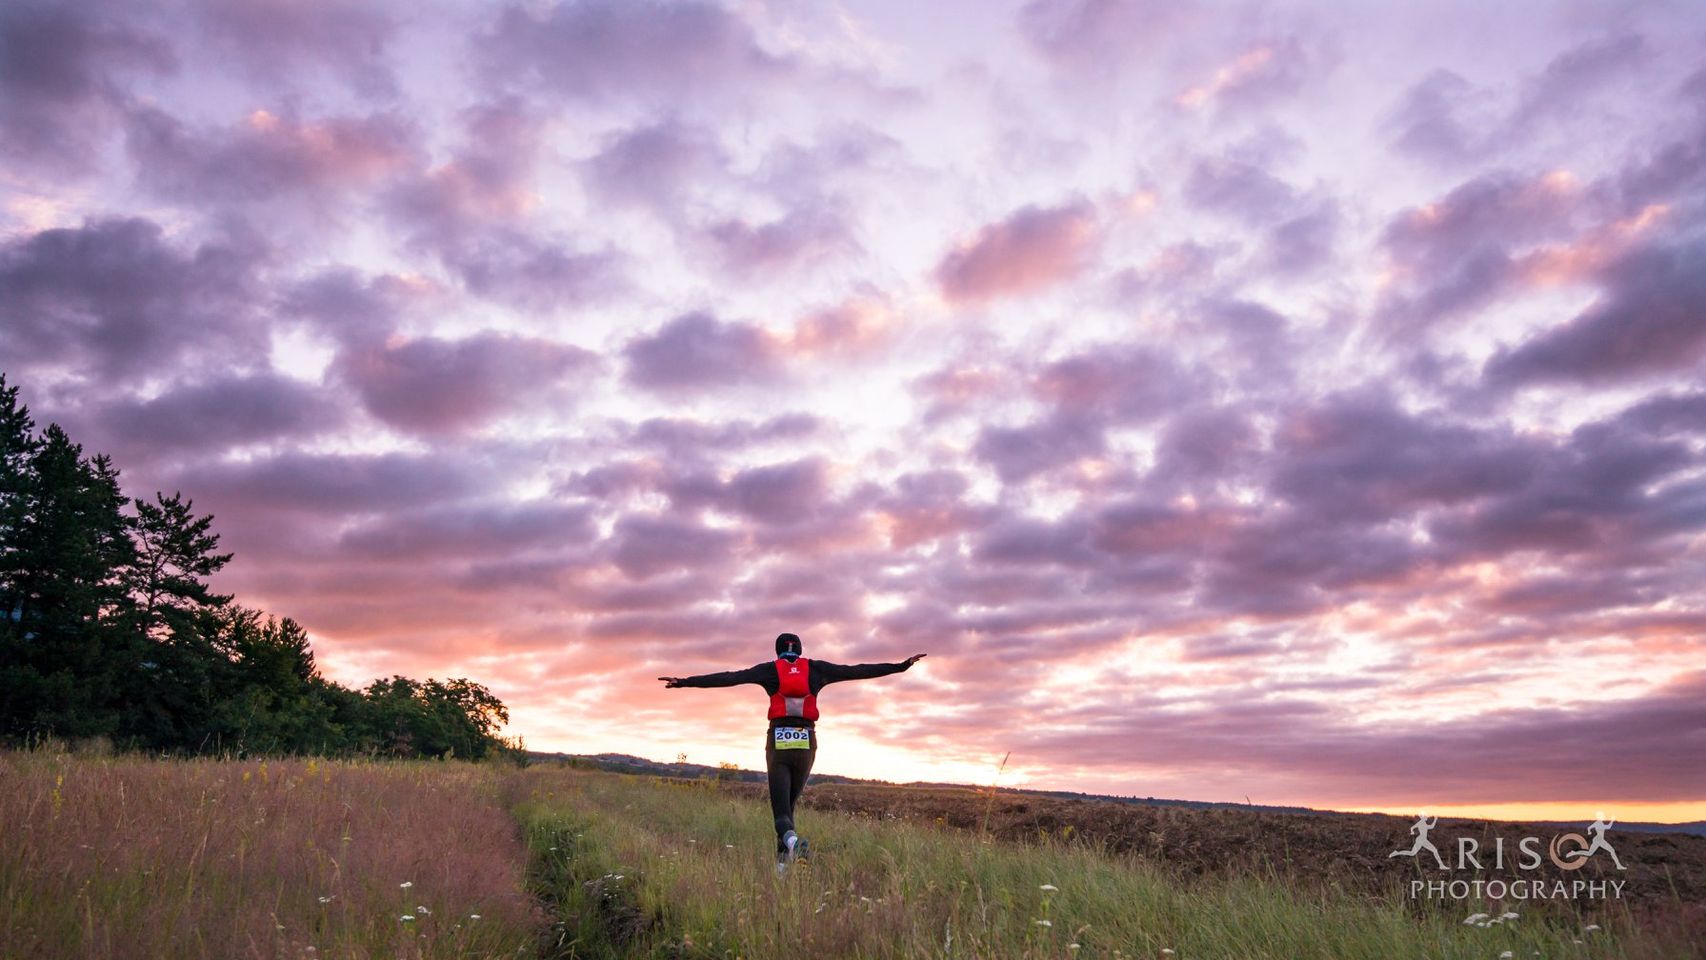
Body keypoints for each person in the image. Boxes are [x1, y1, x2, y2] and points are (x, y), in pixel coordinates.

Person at [659, 632, 926, 875]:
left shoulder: (769, 671)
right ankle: (782, 871)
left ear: (777, 651)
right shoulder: (818, 669)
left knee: (781, 813)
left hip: (778, 741)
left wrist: (684, 682)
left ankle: (795, 845)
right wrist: (900, 666)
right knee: (789, 808)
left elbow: (729, 677)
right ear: (800, 649)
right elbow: (858, 670)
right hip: (807, 743)